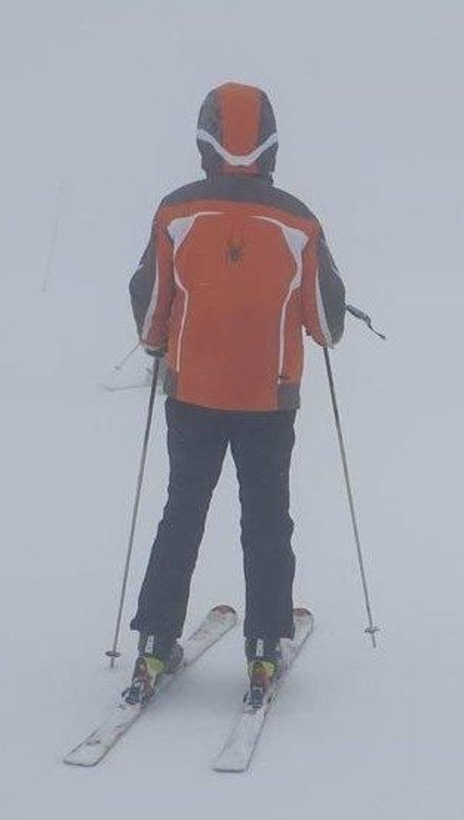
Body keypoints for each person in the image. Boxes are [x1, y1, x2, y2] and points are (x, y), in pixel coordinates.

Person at [123, 82, 346, 704]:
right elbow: (327, 327)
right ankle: (264, 645)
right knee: (267, 519)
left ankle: (153, 641)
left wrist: (160, 345)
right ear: (272, 144)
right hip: (269, 403)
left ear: (203, 140)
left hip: (190, 395)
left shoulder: (175, 212)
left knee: (182, 513)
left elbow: (150, 310)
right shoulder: (300, 221)